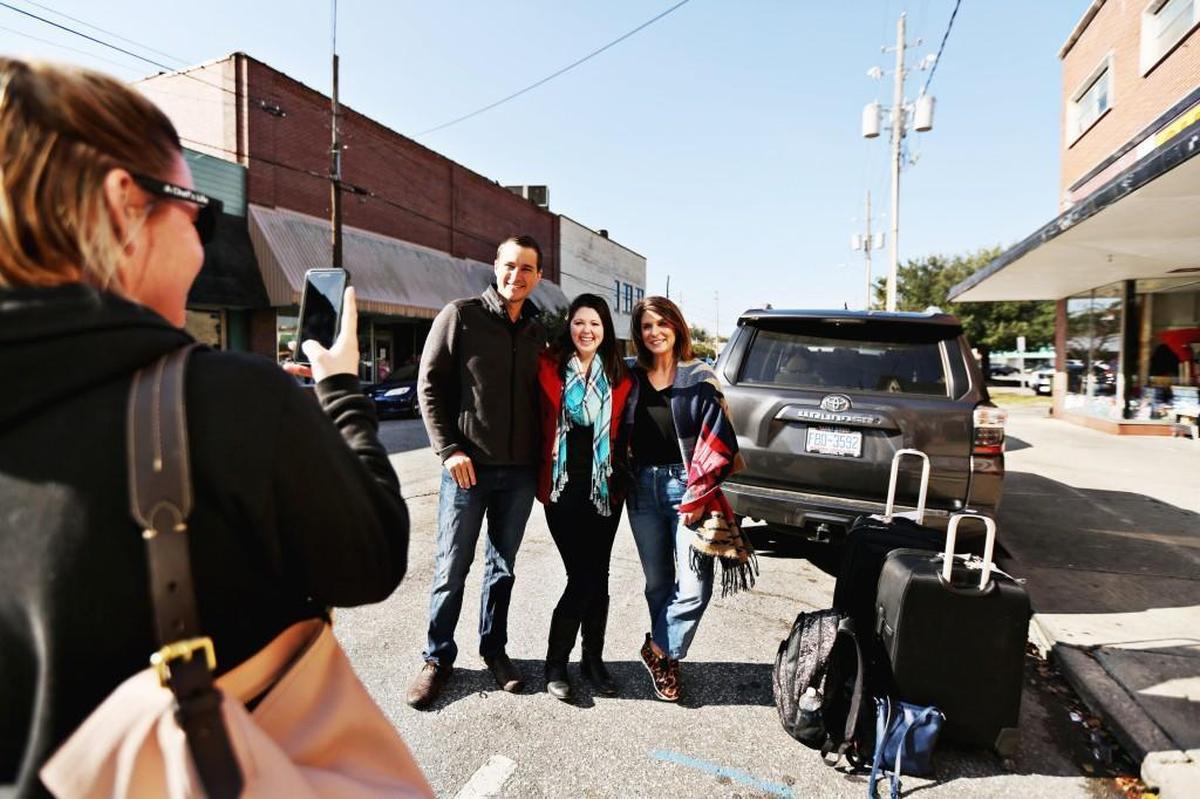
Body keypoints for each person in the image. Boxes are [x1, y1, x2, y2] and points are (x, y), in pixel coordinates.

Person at [0, 58, 410, 796]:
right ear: (124, 200)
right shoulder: (219, 403)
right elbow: (372, 555)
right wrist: (342, 386)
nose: (202, 245)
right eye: (199, 212)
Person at [407, 235, 546, 709]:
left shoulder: (539, 330)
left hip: (520, 474)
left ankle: (494, 650)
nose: (517, 275)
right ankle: (437, 659)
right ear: (496, 266)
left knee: (502, 569)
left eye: (527, 268)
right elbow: (429, 386)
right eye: (510, 265)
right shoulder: (460, 315)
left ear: (538, 276)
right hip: (466, 472)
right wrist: (448, 450)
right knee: (452, 567)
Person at [624, 296, 757, 702]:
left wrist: (699, 493)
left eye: (662, 324)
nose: (654, 332)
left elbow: (720, 443)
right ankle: (669, 663)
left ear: (677, 327)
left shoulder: (699, 377)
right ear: (638, 333)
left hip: (688, 488)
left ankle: (659, 648)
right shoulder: (628, 375)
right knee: (658, 582)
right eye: (646, 326)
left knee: (696, 585)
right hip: (640, 487)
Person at [535, 294, 634, 701]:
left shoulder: (622, 376)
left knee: (600, 575)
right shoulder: (546, 367)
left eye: (594, 323)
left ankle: (592, 660)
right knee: (583, 576)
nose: (586, 330)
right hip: (561, 489)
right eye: (579, 322)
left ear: (605, 329)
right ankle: (556, 663)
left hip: (605, 490)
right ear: (569, 325)